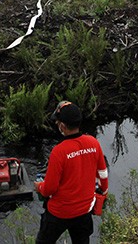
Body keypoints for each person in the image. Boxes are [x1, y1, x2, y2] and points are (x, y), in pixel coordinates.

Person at [34, 101, 109, 244]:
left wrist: (39, 187)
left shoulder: (59, 151)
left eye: (57, 123)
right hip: (84, 211)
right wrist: (103, 194)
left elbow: (50, 188)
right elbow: (103, 174)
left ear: (62, 126)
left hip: (58, 213)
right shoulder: (93, 143)